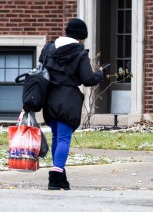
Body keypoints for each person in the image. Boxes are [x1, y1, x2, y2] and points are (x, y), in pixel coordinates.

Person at [40, 18, 104, 190]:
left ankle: (60, 177)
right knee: (63, 138)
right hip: (67, 99)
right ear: (81, 37)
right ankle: (55, 177)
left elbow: (41, 69)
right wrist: (100, 73)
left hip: (49, 98)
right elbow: (88, 79)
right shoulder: (79, 53)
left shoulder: (49, 48)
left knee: (56, 137)